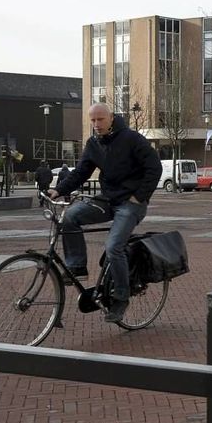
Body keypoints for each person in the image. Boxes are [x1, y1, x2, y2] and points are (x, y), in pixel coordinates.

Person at [47, 103, 162, 323]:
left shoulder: (132, 139)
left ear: (111, 118)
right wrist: (59, 190)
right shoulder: (93, 144)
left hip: (131, 204)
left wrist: (139, 196)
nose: (96, 125)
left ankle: (121, 297)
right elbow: (80, 173)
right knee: (69, 217)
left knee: (113, 247)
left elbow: (154, 167)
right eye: (93, 120)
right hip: (107, 199)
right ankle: (77, 266)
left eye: (100, 120)